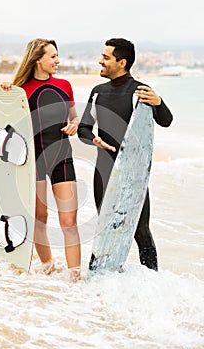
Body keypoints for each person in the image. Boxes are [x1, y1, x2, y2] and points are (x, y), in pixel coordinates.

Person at [78, 38, 173, 271]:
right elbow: (83, 129)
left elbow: (166, 121)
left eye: (106, 57)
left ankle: (151, 280)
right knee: (106, 228)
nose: (100, 60)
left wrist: (159, 102)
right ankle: (105, 280)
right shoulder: (97, 92)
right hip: (104, 170)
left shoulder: (139, 91)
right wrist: (94, 140)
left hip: (132, 174)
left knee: (140, 230)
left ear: (122, 62)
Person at [1, 38, 81, 282]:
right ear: (38, 59)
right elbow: (5, 121)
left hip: (61, 156)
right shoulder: (20, 89)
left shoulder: (64, 85)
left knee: (69, 221)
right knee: (40, 218)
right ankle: (47, 266)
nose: (58, 61)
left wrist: (75, 125)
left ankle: (75, 279)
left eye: (58, 56)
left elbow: (74, 117)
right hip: (32, 160)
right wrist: (7, 90)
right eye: (53, 56)